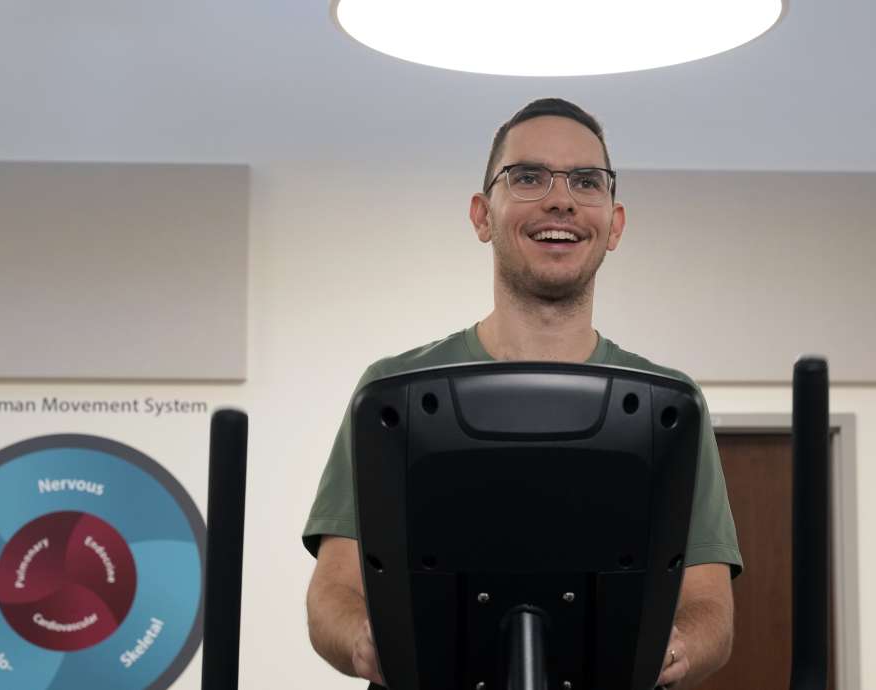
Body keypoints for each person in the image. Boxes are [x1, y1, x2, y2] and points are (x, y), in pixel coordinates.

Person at [303, 98, 743, 690]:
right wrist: (369, 641)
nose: (561, 200)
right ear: (482, 215)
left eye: (586, 181)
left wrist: (671, 647)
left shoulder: (669, 404)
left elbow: (710, 606)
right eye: (529, 177)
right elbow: (334, 590)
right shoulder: (392, 393)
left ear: (614, 224)